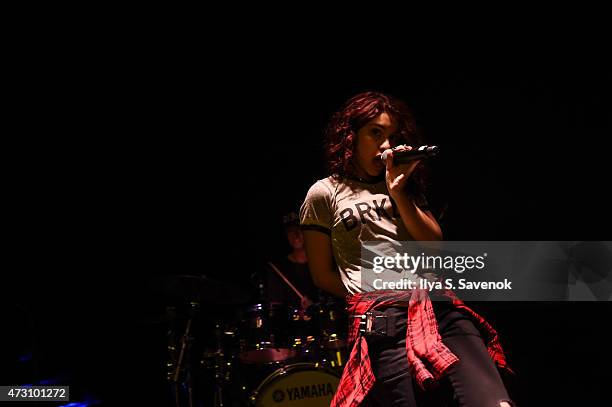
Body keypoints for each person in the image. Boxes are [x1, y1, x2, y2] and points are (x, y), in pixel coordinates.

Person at [300, 91, 514, 406]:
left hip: (439, 309)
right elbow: (322, 275)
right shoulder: (324, 193)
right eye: (375, 132)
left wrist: (399, 193)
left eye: (392, 136)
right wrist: (376, 295)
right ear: (351, 135)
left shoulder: (403, 185)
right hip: (384, 323)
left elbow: (434, 247)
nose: (385, 145)